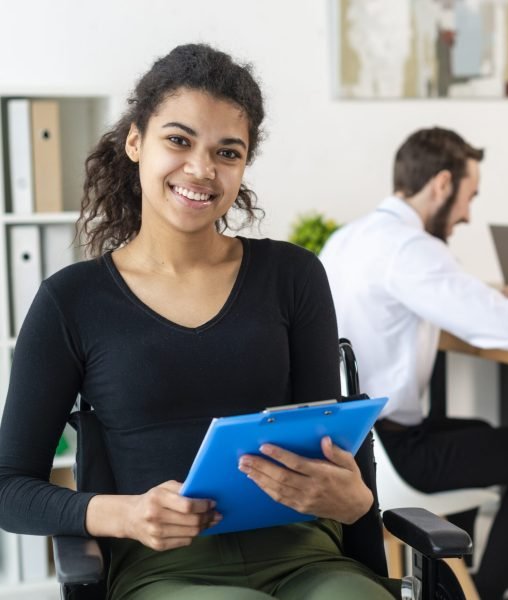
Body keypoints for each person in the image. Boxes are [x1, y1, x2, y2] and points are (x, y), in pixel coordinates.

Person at [0, 44, 400, 600]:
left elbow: (333, 446)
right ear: (135, 141)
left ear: (243, 167)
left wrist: (356, 502)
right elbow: (9, 488)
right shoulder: (72, 300)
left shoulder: (293, 275)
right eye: (178, 140)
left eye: (227, 152)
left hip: (306, 554)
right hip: (167, 570)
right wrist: (124, 515)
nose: (201, 169)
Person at [320, 126, 508, 600]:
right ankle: (484, 592)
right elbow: (504, 328)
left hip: (352, 442)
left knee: (476, 430)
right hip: (390, 453)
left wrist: (490, 297)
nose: (467, 214)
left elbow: (439, 301)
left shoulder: (349, 238)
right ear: (442, 184)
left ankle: (447, 586)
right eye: (470, 196)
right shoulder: (411, 248)